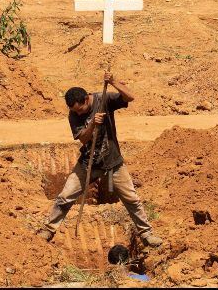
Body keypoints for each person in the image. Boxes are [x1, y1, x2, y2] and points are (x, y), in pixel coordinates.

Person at [37, 72, 163, 248]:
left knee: (132, 199)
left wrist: (113, 82)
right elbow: (83, 139)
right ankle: (48, 230)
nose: (77, 113)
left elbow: (130, 97)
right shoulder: (73, 115)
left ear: (87, 99)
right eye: (75, 111)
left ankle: (146, 234)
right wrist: (92, 124)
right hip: (88, 162)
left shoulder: (103, 99)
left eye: (80, 110)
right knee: (65, 197)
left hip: (113, 161)